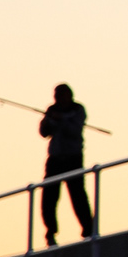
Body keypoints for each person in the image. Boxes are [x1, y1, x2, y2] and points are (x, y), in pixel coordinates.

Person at [38, 84, 95, 245]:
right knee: (48, 198)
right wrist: (49, 120)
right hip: (54, 159)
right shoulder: (52, 110)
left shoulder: (78, 110)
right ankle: (50, 231)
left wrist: (61, 120)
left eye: (61, 95)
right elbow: (43, 132)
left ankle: (88, 229)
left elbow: (74, 131)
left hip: (72, 159)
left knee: (78, 196)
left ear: (69, 96)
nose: (58, 99)